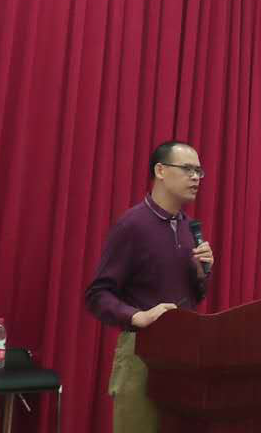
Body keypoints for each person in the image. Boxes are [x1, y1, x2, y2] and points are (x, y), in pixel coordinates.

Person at [85, 141, 215, 432]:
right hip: (141, 353)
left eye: (199, 171)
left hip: (185, 352)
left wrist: (200, 275)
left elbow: (196, 295)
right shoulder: (133, 225)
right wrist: (137, 316)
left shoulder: (189, 227)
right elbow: (97, 294)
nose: (196, 177)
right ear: (160, 170)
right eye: (187, 169)